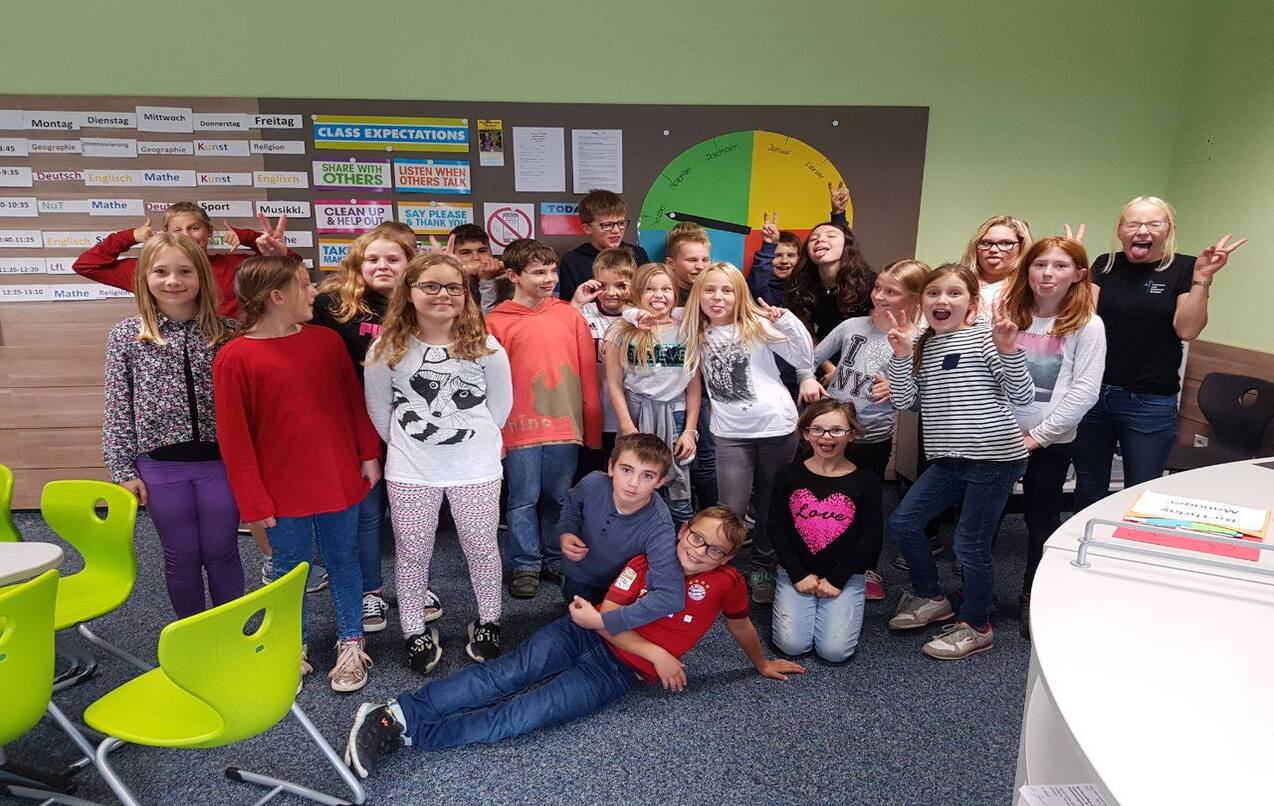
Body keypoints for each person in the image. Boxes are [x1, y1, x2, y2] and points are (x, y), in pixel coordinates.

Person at [343, 507, 804, 774]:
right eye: (696, 538)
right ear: (683, 531)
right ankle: (399, 713)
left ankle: (409, 734)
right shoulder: (648, 563)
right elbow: (603, 620)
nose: (700, 552)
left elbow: (741, 625)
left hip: (618, 672)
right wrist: (657, 654)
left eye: (715, 549)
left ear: (729, 558)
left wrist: (761, 663)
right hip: (583, 634)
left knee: (525, 715)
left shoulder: (726, 583)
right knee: (507, 675)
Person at [213, 256, 382, 692]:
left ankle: (351, 641)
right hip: (280, 489)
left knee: (344, 560)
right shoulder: (235, 358)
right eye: (305, 285)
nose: (314, 292)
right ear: (277, 296)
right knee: (290, 570)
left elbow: (353, 401)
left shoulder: (326, 342)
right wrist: (253, 502)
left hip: (336, 476)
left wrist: (368, 452)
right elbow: (235, 440)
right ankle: (292, 645)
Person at [364, 252, 513, 671]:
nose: (442, 294)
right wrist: (415, 445)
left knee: (482, 548)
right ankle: (413, 628)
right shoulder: (386, 349)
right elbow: (380, 412)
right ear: (409, 292)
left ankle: (489, 620)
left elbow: (499, 410)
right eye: (430, 286)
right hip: (412, 470)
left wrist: (470, 443)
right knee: (412, 552)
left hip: (476, 468)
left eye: (453, 287)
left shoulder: (486, 348)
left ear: (466, 294)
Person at [882, 263, 1034, 660]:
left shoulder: (987, 337)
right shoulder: (924, 344)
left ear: (972, 303)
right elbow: (907, 401)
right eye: (933, 293)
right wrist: (901, 356)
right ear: (922, 301)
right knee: (903, 523)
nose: (942, 300)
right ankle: (932, 596)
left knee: (970, 545)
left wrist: (1009, 350)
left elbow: (1022, 396)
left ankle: (977, 625)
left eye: (954, 293)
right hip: (949, 460)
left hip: (993, 459)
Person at [1071, 196, 1246, 509]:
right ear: (1120, 230)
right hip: (1094, 395)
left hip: (1149, 401)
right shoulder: (1105, 264)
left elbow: (1187, 330)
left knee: (1142, 494)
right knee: (1088, 487)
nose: (1142, 231)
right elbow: (1082, 321)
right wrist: (1072, 273)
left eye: (1154, 223)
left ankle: (1129, 542)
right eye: (1133, 224)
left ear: (1168, 230)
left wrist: (1203, 278)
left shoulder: (1186, 267)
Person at [102, 233, 242, 619]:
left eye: (184, 271)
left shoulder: (228, 333)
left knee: (222, 550)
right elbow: (118, 406)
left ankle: (231, 632)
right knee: (181, 555)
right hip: (159, 467)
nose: (173, 281)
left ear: (201, 276)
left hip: (220, 464)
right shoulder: (127, 336)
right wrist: (122, 469)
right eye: (161, 272)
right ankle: (191, 635)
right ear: (144, 277)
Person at [681, 262, 823, 604]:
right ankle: (720, 565)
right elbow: (648, 311)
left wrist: (785, 320)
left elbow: (803, 356)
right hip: (730, 433)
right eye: (709, 290)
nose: (717, 297)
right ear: (698, 295)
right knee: (730, 507)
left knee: (770, 503)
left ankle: (762, 565)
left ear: (739, 294)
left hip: (776, 426)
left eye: (726, 290)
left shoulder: (756, 324)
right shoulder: (692, 328)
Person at [311, 222, 420, 633]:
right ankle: (370, 589)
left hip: (412, 424)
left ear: (410, 264)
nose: (382, 266)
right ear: (358, 264)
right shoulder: (333, 305)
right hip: (357, 425)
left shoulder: (422, 302)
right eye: (372, 259)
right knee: (369, 514)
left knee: (412, 513)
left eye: (393, 258)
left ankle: (415, 586)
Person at [1001, 237, 1105, 639]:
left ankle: (1033, 596)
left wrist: (1037, 437)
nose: (1047, 273)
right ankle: (976, 598)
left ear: (1078, 275)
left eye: (1060, 266)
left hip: (1049, 442)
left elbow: (1084, 391)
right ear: (1027, 269)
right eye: (1040, 264)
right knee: (984, 518)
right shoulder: (1009, 313)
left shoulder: (1087, 325)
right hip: (998, 436)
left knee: (1040, 520)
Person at [485, 239, 602, 599]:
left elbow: (586, 373)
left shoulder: (569, 315)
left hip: (564, 426)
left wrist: (592, 427)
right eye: (538, 272)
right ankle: (525, 562)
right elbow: (489, 385)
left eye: (552, 270)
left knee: (559, 497)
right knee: (522, 499)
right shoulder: (495, 322)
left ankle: (554, 557)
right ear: (513, 276)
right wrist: (495, 434)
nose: (549, 278)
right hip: (517, 428)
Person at [813, 259, 928, 600]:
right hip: (829, 433)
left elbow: (918, 400)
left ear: (915, 297)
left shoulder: (920, 339)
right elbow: (809, 358)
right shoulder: (852, 326)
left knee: (865, 505)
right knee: (823, 498)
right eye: (878, 288)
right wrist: (820, 374)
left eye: (892, 292)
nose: (879, 296)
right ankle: (820, 555)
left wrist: (898, 386)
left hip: (871, 438)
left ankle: (866, 568)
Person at [769, 399, 882, 662]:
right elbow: (775, 527)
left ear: (851, 434)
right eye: (817, 429)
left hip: (845, 575)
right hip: (796, 571)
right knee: (792, 646)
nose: (826, 437)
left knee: (834, 652)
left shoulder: (867, 481)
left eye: (836, 430)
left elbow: (871, 536)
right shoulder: (788, 474)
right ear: (806, 434)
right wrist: (797, 574)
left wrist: (838, 579)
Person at [73, 202, 297, 317]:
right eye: (177, 230)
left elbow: (292, 265)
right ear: (167, 234)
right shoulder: (152, 271)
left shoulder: (235, 266)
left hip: (229, 352)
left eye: (194, 228)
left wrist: (249, 237)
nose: (187, 236)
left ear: (209, 232)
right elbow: (87, 265)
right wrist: (129, 236)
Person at [606, 263, 702, 524]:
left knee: (677, 485)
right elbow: (614, 382)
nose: (658, 295)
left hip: (676, 414)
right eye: (650, 289)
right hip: (636, 413)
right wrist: (627, 427)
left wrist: (689, 431)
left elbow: (693, 385)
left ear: (675, 293)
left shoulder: (687, 327)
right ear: (638, 292)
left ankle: (682, 539)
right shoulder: (621, 329)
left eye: (666, 289)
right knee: (635, 481)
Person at [557, 433, 683, 626]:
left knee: (599, 637)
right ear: (611, 467)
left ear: (660, 481)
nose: (633, 483)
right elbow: (572, 506)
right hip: (578, 574)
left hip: (621, 591)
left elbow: (671, 596)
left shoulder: (660, 527)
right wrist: (567, 532)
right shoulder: (592, 483)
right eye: (626, 470)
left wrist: (606, 621)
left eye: (647, 475)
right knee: (571, 613)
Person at [570, 247, 636, 478]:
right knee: (591, 474)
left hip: (627, 414)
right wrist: (575, 304)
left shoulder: (639, 317)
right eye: (603, 285)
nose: (611, 293)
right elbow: (559, 336)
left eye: (620, 285)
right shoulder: (583, 312)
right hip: (590, 413)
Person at [784, 221, 874, 343]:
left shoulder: (870, 283)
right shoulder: (801, 284)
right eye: (813, 239)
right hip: (822, 350)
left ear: (847, 245)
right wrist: (820, 355)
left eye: (831, 236)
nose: (820, 239)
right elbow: (807, 334)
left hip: (862, 348)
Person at [557, 189, 650, 302]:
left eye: (621, 223)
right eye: (607, 225)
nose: (616, 230)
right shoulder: (572, 261)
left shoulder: (638, 254)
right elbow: (569, 305)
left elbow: (648, 296)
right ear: (587, 228)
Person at [959, 215, 1034, 320]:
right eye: (986, 243)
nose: (993, 250)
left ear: (1022, 248)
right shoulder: (957, 285)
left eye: (1006, 243)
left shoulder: (1032, 290)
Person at [447, 223, 509, 312]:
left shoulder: (508, 280)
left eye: (482, 251)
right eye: (466, 252)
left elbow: (491, 319)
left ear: (491, 253)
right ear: (453, 256)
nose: (476, 257)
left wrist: (487, 281)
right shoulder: (446, 284)